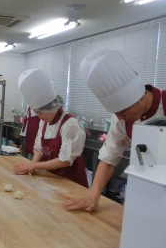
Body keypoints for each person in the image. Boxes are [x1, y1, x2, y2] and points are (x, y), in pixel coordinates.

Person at [63, 49, 166, 211]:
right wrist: (93, 195)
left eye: (123, 111)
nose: (119, 118)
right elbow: (109, 156)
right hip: (148, 191)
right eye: (115, 113)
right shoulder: (121, 118)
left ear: (140, 96)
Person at [13, 68, 88, 188]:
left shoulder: (70, 124)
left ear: (53, 106)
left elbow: (65, 160)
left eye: (40, 113)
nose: (40, 117)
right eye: (37, 114)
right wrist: (32, 165)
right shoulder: (45, 121)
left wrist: (34, 166)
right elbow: (39, 147)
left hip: (71, 182)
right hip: (53, 179)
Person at [20, 75, 57, 160]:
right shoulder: (34, 102)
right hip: (30, 131)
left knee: (33, 154)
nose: (41, 117)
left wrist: (33, 165)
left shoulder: (48, 109)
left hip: (35, 132)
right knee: (29, 154)